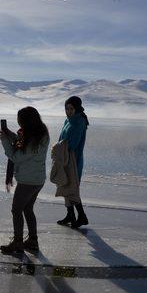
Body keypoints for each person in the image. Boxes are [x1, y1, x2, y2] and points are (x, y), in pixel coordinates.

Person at [0, 107, 50, 254]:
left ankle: (18, 242)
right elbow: (22, 144)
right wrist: (10, 135)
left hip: (28, 181)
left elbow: (16, 156)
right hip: (37, 179)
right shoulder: (39, 134)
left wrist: (4, 141)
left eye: (20, 120)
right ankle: (32, 240)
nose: (19, 123)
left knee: (17, 210)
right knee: (27, 209)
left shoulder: (34, 140)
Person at [57, 96, 89, 228]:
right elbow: (61, 138)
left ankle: (82, 216)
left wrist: (58, 148)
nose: (68, 111)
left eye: (71, 108)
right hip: (64, 158)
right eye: (66, 108)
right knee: (65, 185)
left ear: (77, 108)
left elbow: (72, 144)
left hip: (73, 160)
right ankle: (70, 214)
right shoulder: (68, 120)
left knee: (72, 188)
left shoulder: (79, 121)